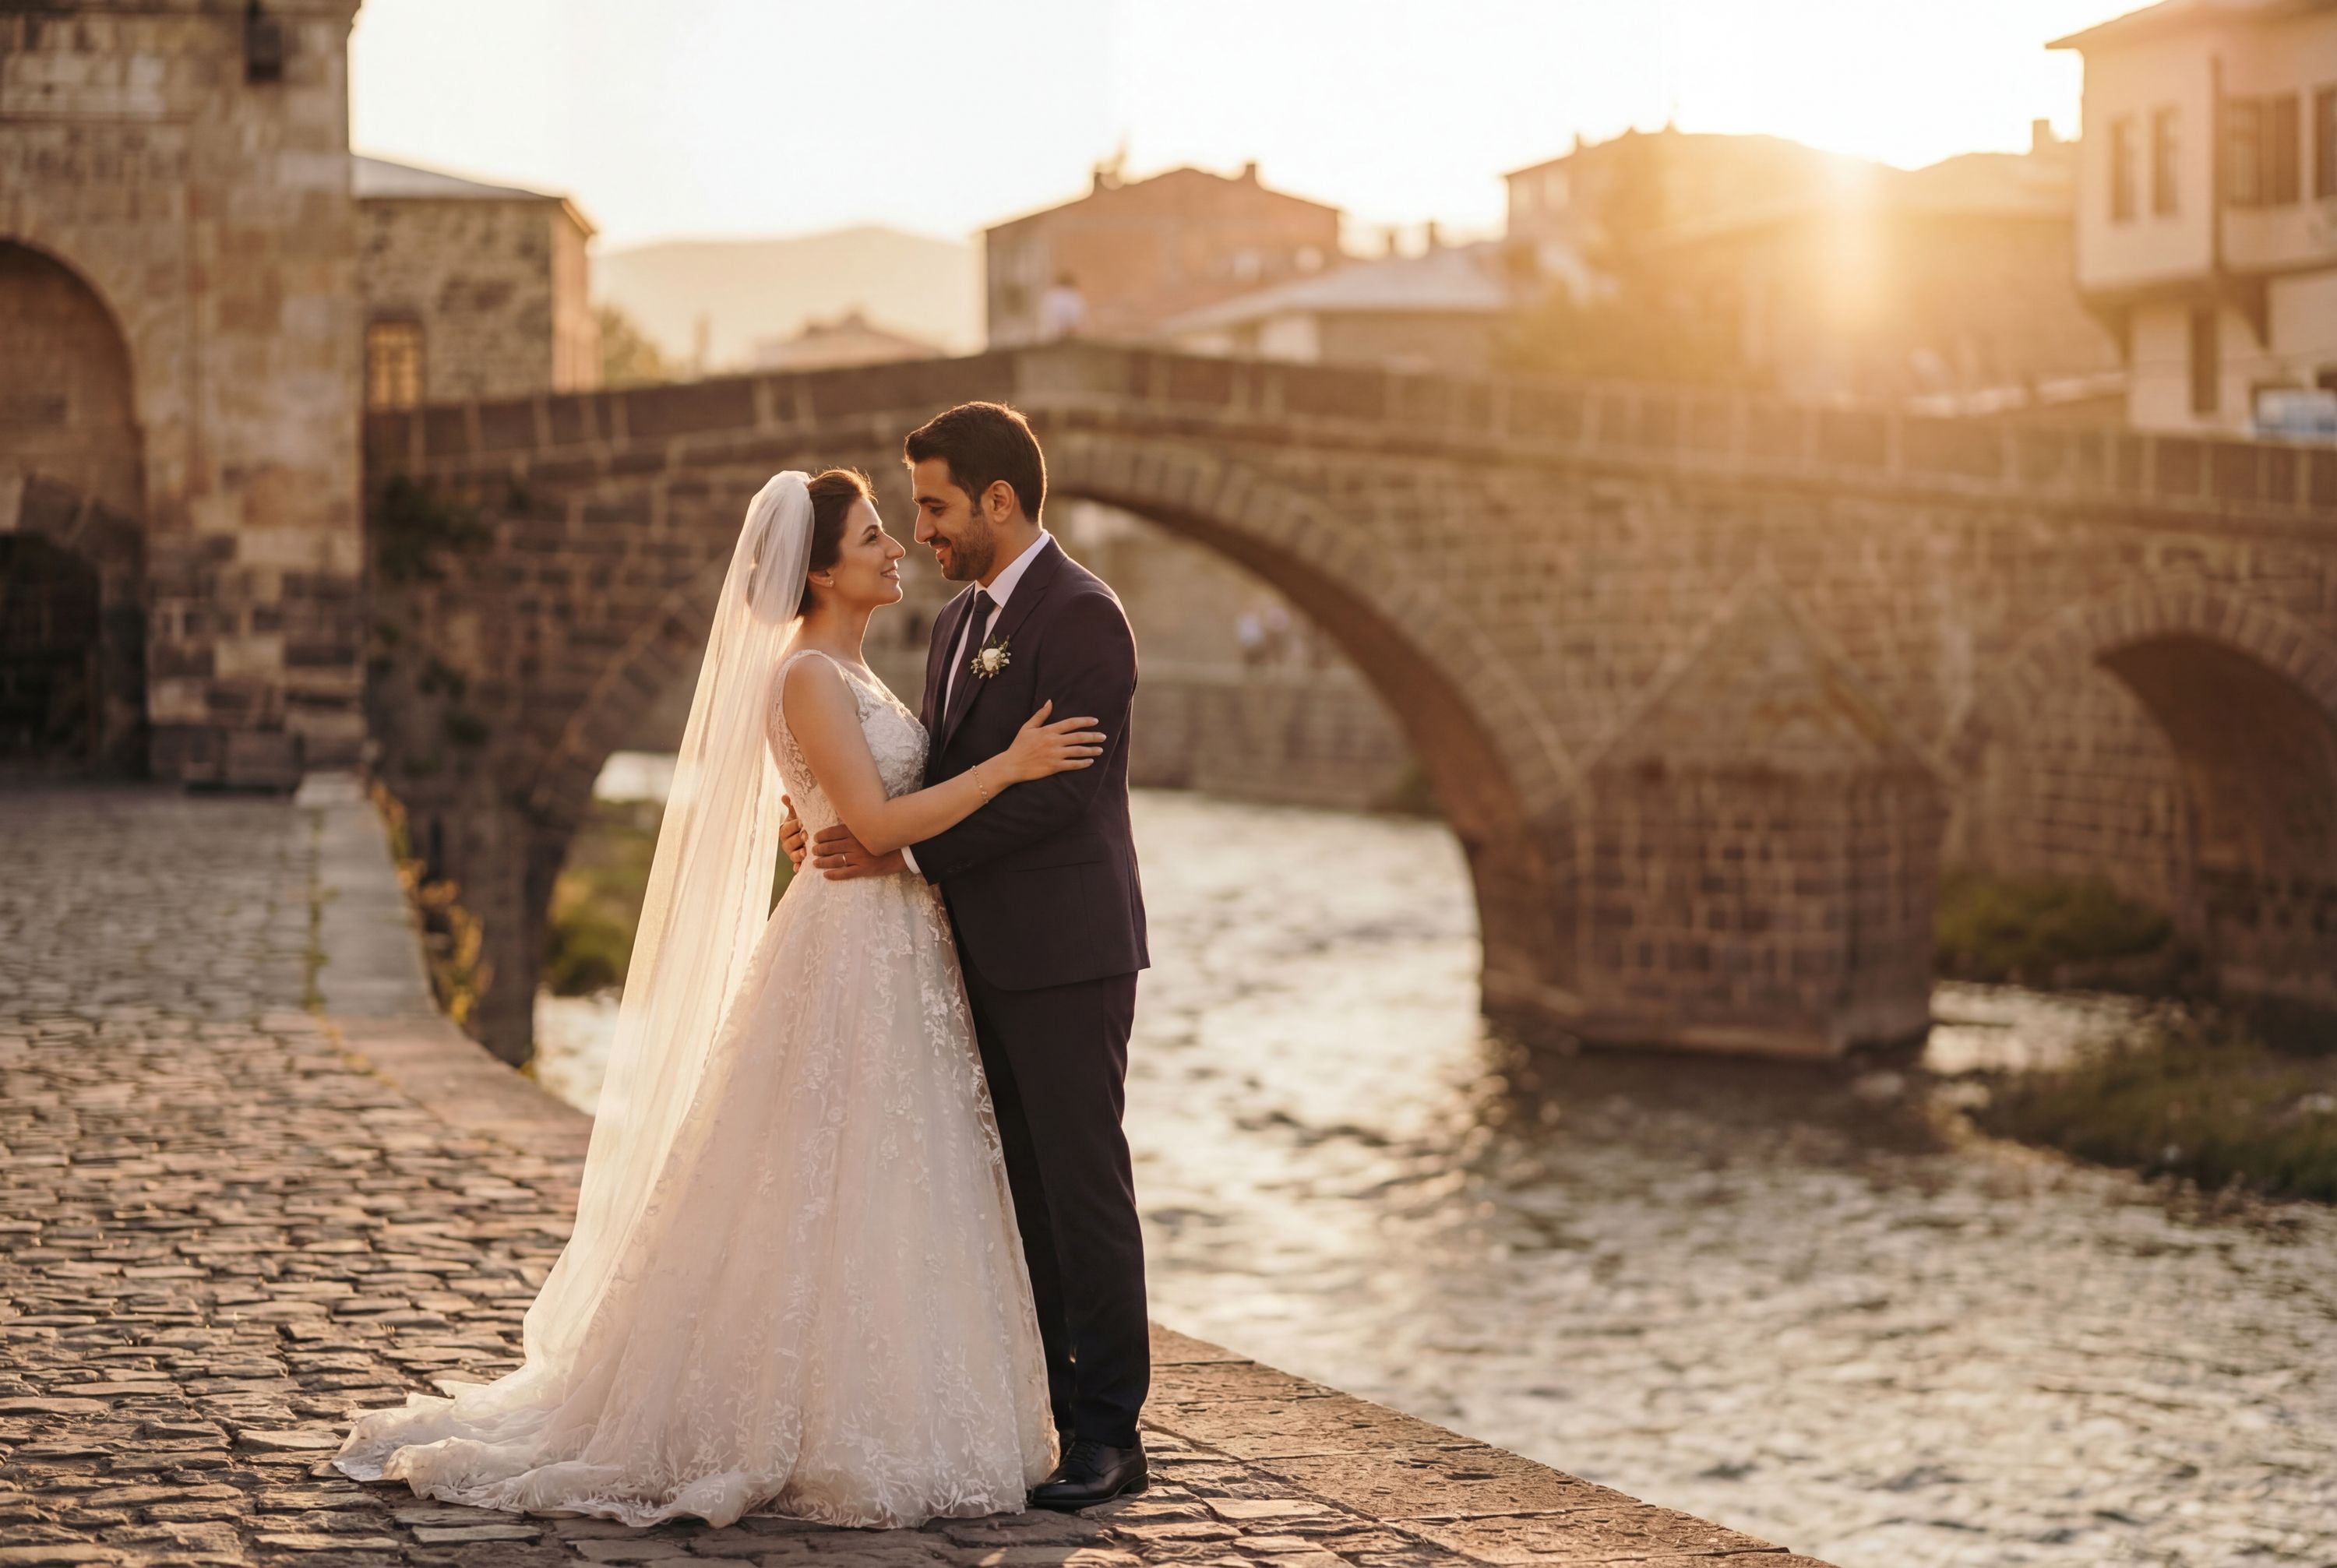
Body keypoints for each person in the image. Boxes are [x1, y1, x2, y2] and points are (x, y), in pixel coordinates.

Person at [334, 468, 1108, 1528]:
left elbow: (850, 812)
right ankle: (810, 1413)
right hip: (847, 944)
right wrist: (1012, 766)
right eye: (876, 535)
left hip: (896, 941)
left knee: (891, 1172)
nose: (898, 547)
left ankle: (905, 1399)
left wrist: (819, 818)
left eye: (903, 526)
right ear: (821, 569)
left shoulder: (864, 667)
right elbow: (877, 827)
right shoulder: (804, 676)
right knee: (825, 1173)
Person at [783, 401, 1152, 1510]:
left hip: (1065, 947)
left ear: (1000, 499)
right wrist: (823, 824)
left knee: (1082, 1182)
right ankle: (1044, 1404)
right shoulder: (953, 627)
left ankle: (1111, 1434)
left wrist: (906, 856)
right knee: (1014, 1191)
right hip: (963, 956)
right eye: (909, 514)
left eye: (935, 506)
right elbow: (914, 777)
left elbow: (1065, 795)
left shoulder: (1085, 617)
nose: (922, 530)